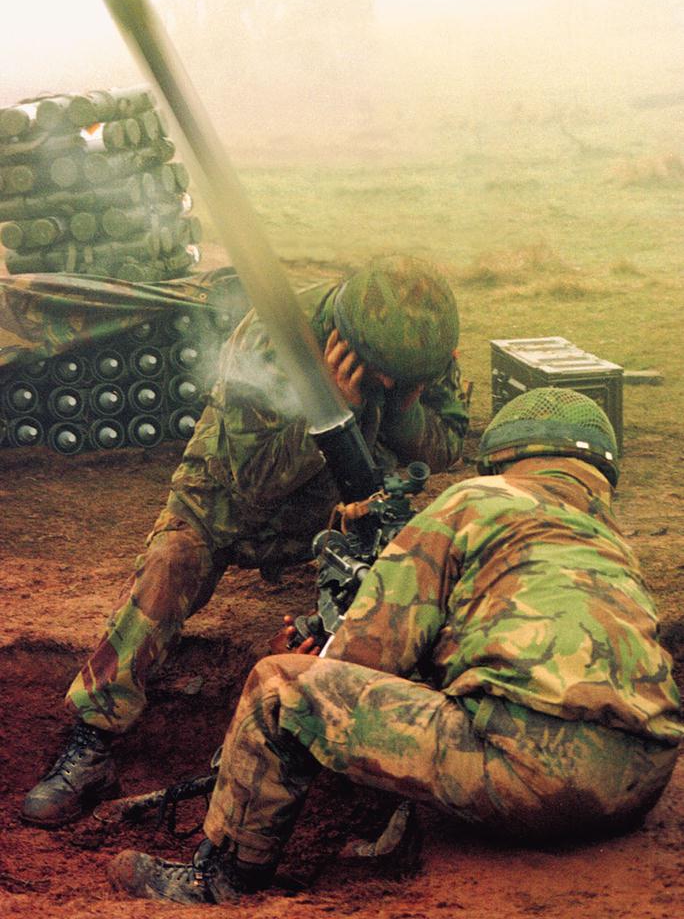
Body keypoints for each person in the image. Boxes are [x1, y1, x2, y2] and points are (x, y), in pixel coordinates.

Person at [104, 387, 683, 905]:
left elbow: (366, 656)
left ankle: (219, 878)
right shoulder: (614, 546)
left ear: (502, 458)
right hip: (639, 780)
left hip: (531, 772)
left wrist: (320, 657)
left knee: (279, 689)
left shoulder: (473, 500)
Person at [22, 255, 470, 828]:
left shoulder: (416, 350)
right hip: (228, 498)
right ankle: (93, 739)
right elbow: (253, 483)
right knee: (169, 563)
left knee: (403, 592)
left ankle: (377, 760)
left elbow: (447, 447)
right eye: (380, 372)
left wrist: (405, 415)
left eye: (396, 377)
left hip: (343, 506)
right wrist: (329, 403)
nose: (386, 383)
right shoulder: (271, 339)